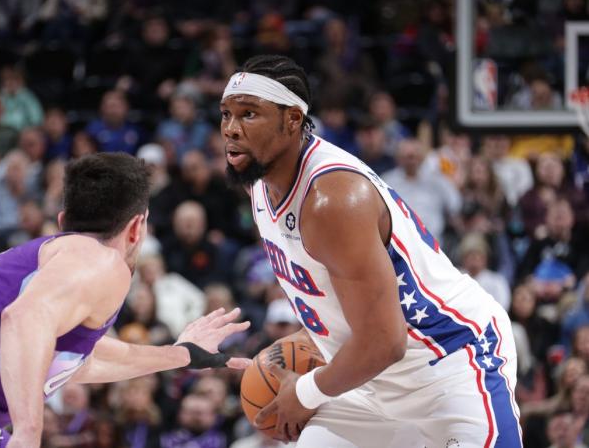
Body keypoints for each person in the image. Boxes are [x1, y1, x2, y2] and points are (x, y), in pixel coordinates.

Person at [220, 55, 521, 447]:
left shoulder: (333, 199)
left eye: (249, 114)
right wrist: (305, 345)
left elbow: (385, 340)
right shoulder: (261, 186)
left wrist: (306, 391)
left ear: (292, 120)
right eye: (226, 114)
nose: (231, 129)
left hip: (449, 360)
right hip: (372, 383)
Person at [0, 152, 251, 447]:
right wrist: (28, 434)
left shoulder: (61, 268)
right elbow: (26, 318)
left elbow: (75, 361)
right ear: (137, 227)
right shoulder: (99, 258)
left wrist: (182, 355)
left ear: (63, 220)